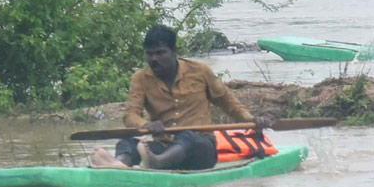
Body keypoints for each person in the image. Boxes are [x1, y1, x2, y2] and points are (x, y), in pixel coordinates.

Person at [91, 25, 267, 170]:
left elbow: (227, 102)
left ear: (175, 51)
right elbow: (130, 115)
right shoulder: (140, 79)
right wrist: (146, 125)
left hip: (201, 148)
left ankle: (157, 163)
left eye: (160, 53)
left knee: (188, 136)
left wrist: (251, 120)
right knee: (127, 144)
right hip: (164, 146)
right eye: (150, 54)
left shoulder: (200, 71)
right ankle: (118, 166)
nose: (154, 59)